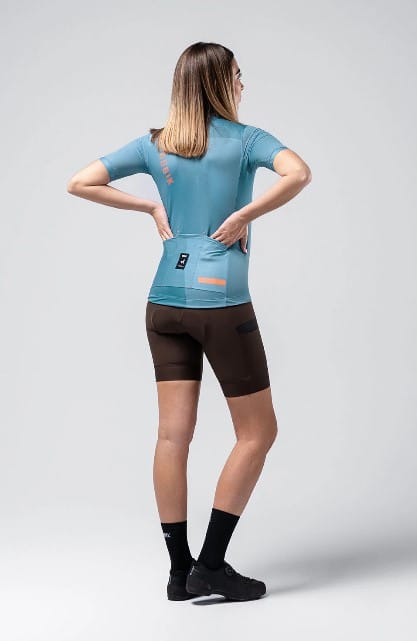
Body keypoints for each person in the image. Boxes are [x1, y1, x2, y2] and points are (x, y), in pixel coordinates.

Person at [67, 41, 312, 602]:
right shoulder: (247, 140)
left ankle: (180, 573)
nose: (243, 84)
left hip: (163, 302)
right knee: (258, 433)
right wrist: (245, 214)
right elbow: (299, 173)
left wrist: (151, 206)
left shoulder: (154, 144)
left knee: (171, 436)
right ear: (220, 82)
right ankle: (212, 565)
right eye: (238, 75)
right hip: (220, 303)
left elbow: (79, 181)